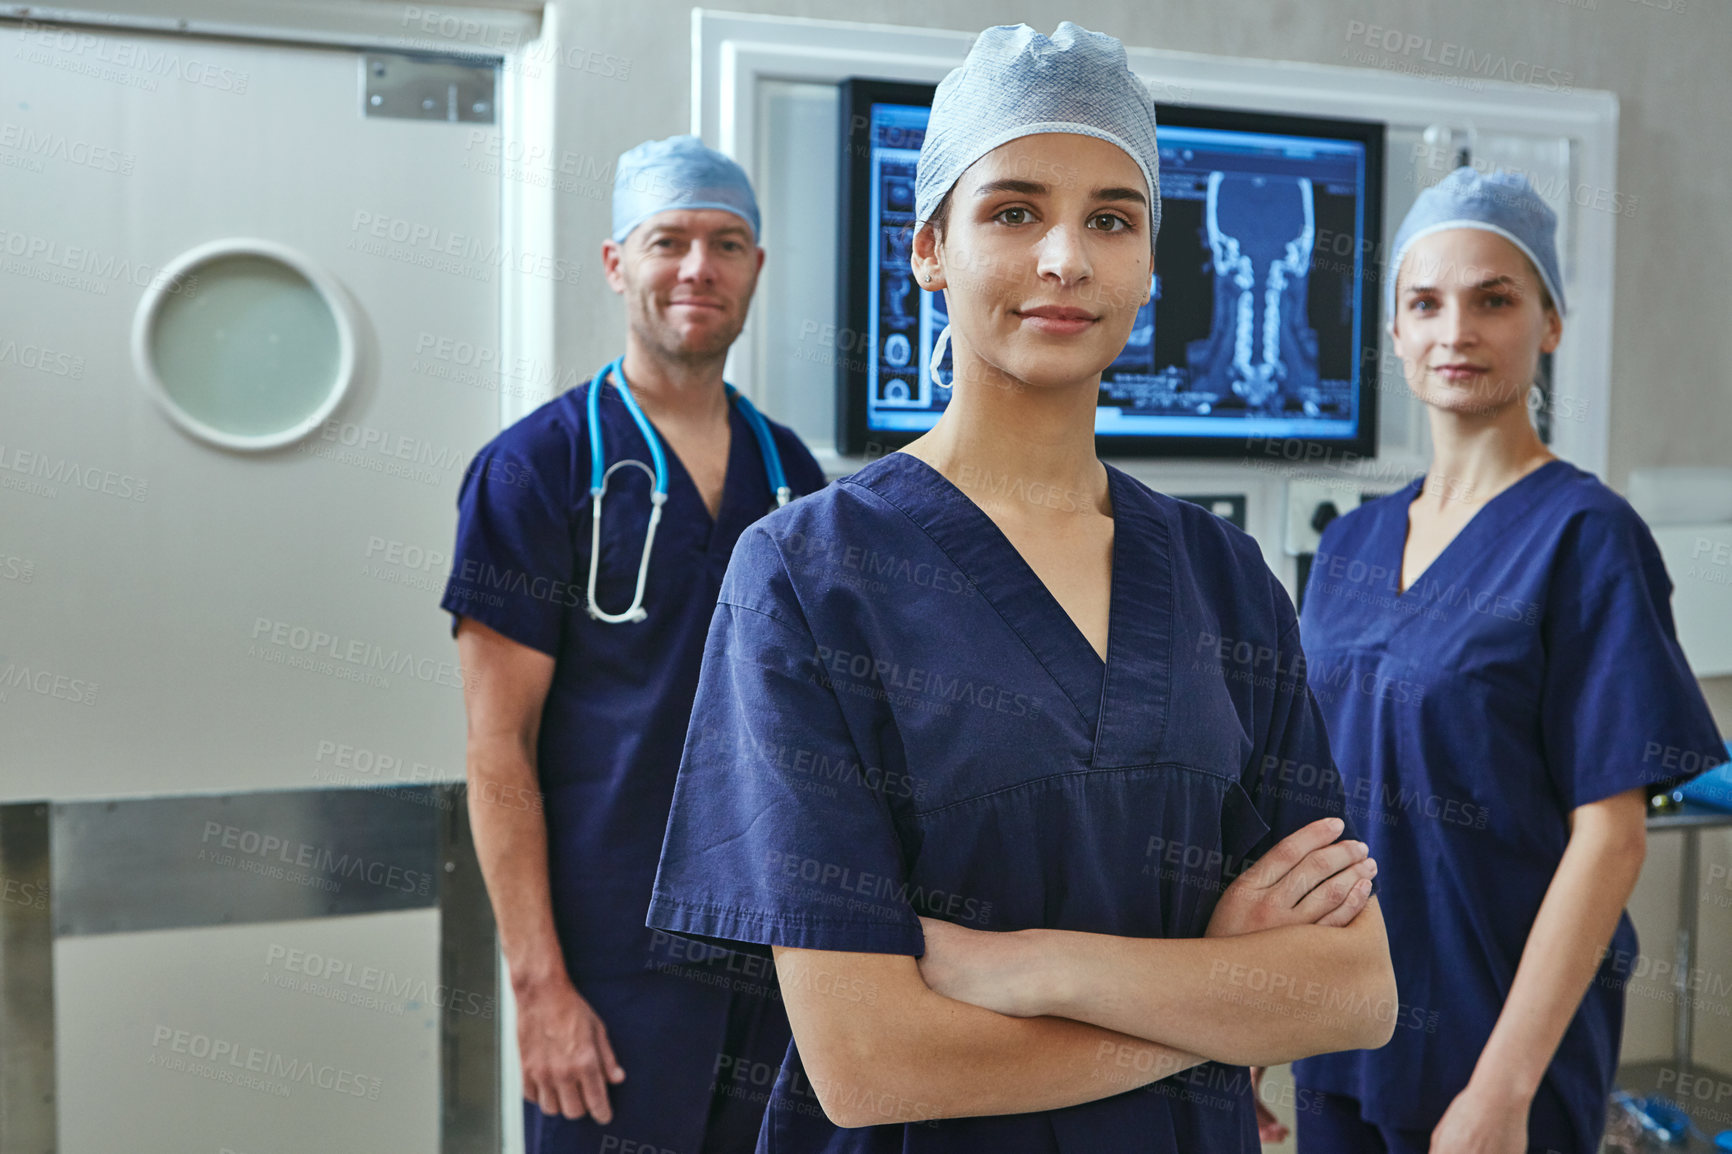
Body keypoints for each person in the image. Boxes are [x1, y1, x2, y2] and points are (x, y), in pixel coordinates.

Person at [647, 24, 1395, 1151]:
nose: (1065, 258)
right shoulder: (809, 574)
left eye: (1110, 218)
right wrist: (1217, 998)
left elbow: (1353, 990)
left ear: (1150, 261)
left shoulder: (1220, 577)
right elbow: (870, 1061)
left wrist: (1030, 966)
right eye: (1012, 211)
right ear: (929, 247)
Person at [1287, 167, 1727, 1153]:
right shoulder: (1350, 544)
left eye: (1494, 298)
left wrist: (1502, 1087)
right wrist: (1237, 1025)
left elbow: (1610, 838)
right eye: (1424, 303)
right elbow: (1304, 804)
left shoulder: (1585, 535)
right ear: (1394, 332)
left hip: (1496, 1050)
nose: (1456, 330)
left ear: (1550, 324)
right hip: (1341, 1038)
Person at [441, 134, 828, 1153]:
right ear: (618, 262)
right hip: (610, 971)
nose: (698, 267)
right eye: (669, 240)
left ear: (755, 269)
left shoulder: (791, 474)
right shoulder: (534, 469)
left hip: (779, 960)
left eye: (726, 242)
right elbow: (496, 749)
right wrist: (540, 987)